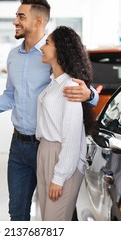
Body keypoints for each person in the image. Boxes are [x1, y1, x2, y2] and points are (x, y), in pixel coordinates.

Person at [0, 0, 98, 221]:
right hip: (19, 145)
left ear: (38, 22)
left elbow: (78, 86)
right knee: (17, 211)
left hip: (47, 145)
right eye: (16, 15)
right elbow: (10, 95)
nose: (15, 21)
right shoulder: (13, 56)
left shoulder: (55, 54)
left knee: (53, 213)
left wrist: (91, 95)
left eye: (20, 16)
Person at [36, 26, 94, 220]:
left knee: (55, 223)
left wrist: (59, 177)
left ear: (60, 49)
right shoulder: (54, 83)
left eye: (47, 43)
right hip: (45, 152)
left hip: (61, 157)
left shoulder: (70, 86)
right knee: (47, 219)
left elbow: (71, 137)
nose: (42, 48)